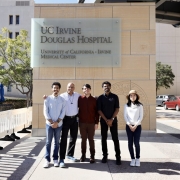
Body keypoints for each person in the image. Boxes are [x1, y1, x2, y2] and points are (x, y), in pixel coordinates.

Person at [97, 81, 121, 165]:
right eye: (104, 86)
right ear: (102, 88)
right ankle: (105, 156)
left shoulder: (115, 97)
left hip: (113, 121)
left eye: (107, 86)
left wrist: (111, 119)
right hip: (103, 122)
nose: (106, 87)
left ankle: (118, 157)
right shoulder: (100, 98)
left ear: (110, 87)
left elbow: (117, 109)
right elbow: (99, 110)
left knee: (115, 139)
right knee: (103, 139)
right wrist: (106, 120)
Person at [43, 82, 66, 168]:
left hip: (59, 125)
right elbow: (45, 112)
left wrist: (57, 122)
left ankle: (55, 159)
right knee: (48, 142)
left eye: (57, 88)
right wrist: (52, 123)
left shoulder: (62, 100)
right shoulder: (47, 99)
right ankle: (47, 160)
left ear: (59, 89)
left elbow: (63, 112)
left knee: (57, 142)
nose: (55, 89)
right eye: (54, 88)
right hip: (49, 125)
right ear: (52, 89)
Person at [59, 82, 80, 168]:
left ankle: (70, 155)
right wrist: (46, 97)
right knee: (63, 139)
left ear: (74, 88)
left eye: (72, 87)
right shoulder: (62, 96)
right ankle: (61, 159)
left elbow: (85, 97)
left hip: (74, 119)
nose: (70, 88)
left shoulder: (77, 95)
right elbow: (54, 99)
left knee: (73, 138)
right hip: (65, 119)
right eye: (69, 87)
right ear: (66, 87)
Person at [78, 84, 99, 163]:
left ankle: (92, 156)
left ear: (90, 89)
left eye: (87, 89)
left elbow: (97, 112)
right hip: (82, 123)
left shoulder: (94, 100)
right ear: (83, 90)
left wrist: (96, 123)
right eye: (84, 89)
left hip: (91, 123)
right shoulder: (80, 99)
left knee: (91, 140)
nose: (86, 90)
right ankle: (83, 155)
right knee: (83, 140)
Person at [124, 90, 143, 167]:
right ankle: (132, 158)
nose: (132, 97)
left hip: (137, 127)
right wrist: (129, 125)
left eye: (134, 95)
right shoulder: (126, 105)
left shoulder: (140, 105)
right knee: (130, 143)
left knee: (136, 143)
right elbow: (125, 116)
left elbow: (140, 117)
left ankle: (137, 158)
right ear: (129, 97)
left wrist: (135, 125)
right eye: (131, 95)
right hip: (129, 126)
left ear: (136, 96)